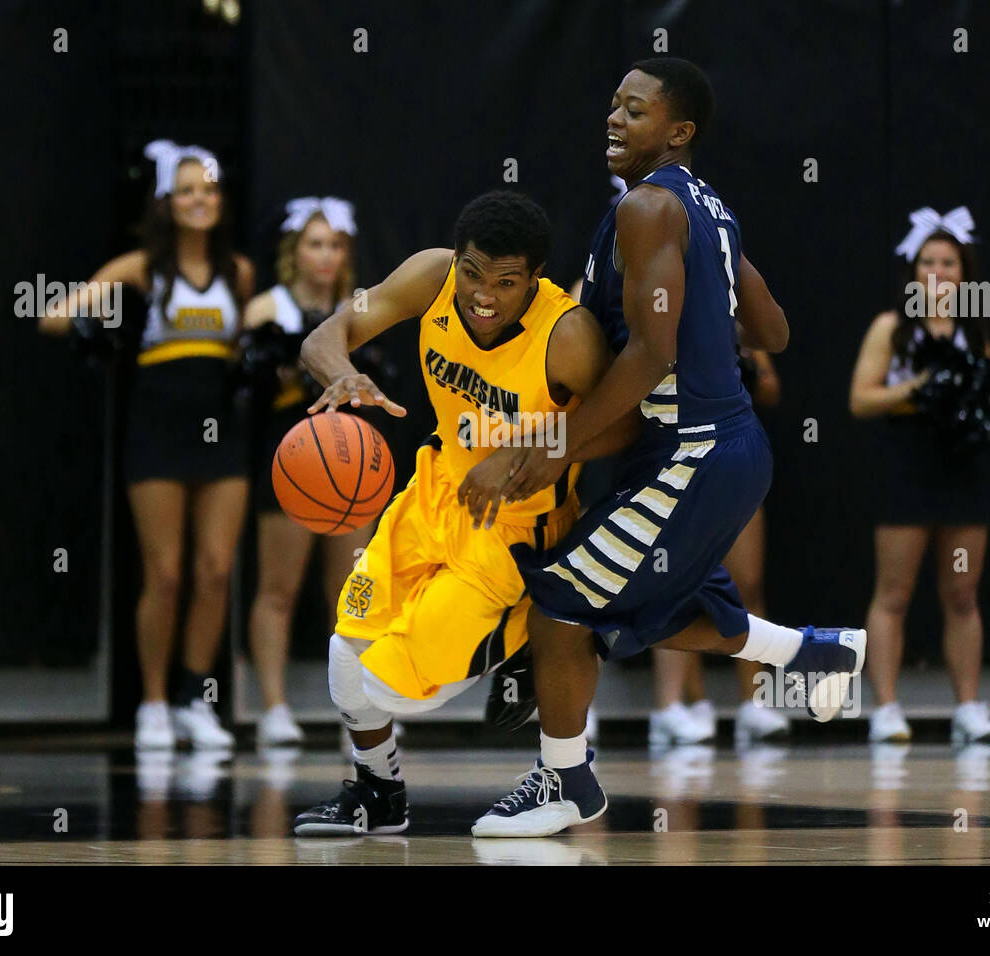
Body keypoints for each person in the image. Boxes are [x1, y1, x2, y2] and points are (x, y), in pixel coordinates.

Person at [470, 58, 865, 837]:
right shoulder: (708, 212)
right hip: (713, 449)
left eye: (636, 111)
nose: (614, 119)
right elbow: (776, 329)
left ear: (678, 132)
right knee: (664, 600)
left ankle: (566, 784)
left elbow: (649, 355)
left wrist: (560, 445)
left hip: (696, 450)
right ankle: (813, 657)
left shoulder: (650, 209)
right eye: (612, 105)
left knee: (559, 603)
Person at [291, 190, 626, 835]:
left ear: (534, 278)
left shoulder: (568, 335)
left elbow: (628, 425)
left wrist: (534, 447)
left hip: (514, 527)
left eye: (505, 282)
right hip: (433, 493)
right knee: (345, 658)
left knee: (387, 688)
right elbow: (327, 333)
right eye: (473, 272)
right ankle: (378, 795)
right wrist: (342, 373)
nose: (484, 294)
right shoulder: (431, 276)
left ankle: (530, 630)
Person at [40, 139, 254, 750]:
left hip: (220, 429)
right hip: (156, 428)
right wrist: (91, 322)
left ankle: (193, 698)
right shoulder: (139, 268)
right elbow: (51, 317)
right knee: (163, 572)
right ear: (166, 200)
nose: (199, 199)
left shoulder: (238, 273)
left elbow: (249, 347)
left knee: (214, 572)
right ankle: (153, 703)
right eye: (187, 189)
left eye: (209, 189)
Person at [848, 207, 990, 745]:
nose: (938, 271)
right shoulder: (892, 329)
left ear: (965, 272)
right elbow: (861, 398)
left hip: (961, 464)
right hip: (907, 464)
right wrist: (918, 390)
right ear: (913, 271)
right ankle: (887, 708)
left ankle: (968, 706)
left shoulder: (975, 330)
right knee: (894, 590)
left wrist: (978, 408)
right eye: (928, 262)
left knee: (962, 592)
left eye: (949, 262)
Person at [242, 196, 373, 747]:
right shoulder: (267, 308)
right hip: (292, 458)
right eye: (315, 244)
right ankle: (272, 706)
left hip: (352, 462)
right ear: (294, 252)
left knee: (350, 591)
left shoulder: (360, 307)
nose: (326, 255)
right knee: (278, 588)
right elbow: (246, 391)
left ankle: (359, 712)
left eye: (335, 245)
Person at [649, 346, 787, 748]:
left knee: (748, 584)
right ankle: (685, 703)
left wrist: (746, 368)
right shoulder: (654, 309)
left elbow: (771, 390)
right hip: (674, 459)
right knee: (677, 585)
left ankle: (754, 703)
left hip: (731, 460)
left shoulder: (732, 310)